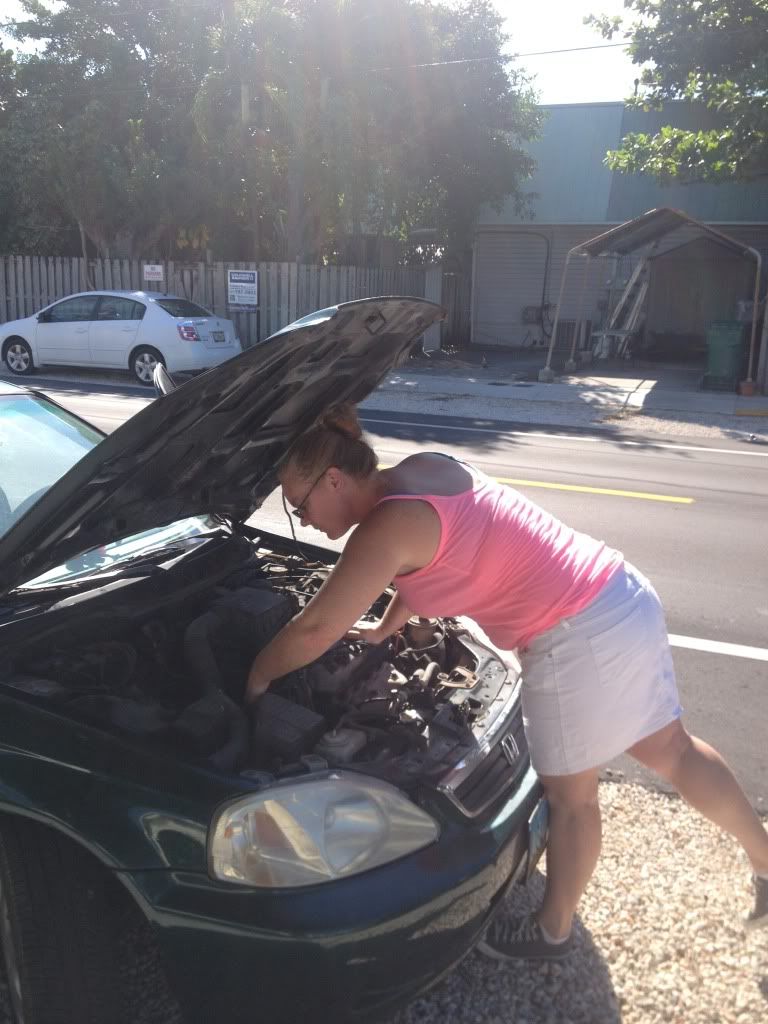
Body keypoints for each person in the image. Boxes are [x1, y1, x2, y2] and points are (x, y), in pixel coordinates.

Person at [246, 403, 768, 960]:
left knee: (571, 799)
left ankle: (551, 933)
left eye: (299, 505)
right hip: (617, 594)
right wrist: (384, 628)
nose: (302, 520)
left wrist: (256, 677)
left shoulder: (384, 529)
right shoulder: (424, 469)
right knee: (672, 750)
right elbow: (429, 562)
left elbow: (316, 629)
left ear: (333, 479)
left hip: (576, 634)